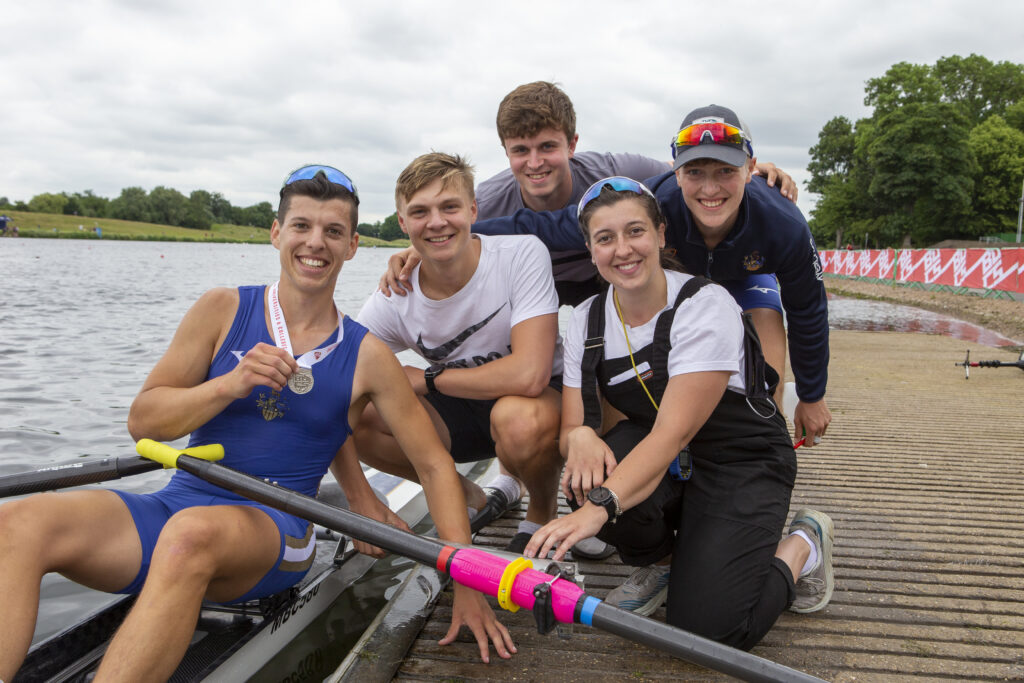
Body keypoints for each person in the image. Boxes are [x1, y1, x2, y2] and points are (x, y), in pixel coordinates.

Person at [0, 165, 514, 682]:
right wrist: (228, 384)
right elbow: (144, 422)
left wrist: (465, 581)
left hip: (277, 530)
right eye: (301, 226)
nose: (316, 243)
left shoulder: (368, 355)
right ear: (276, 232)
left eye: (333, 231)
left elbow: (433, 466)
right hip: (177, 506)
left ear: (353, 245)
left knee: (190, 535)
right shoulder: (221, 309)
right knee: (21, 522)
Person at [523, 176, 835, 650]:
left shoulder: (705, 305)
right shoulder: (587, 316)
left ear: (662, 235)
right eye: (605, 238)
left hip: (740, 457)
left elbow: (669, 434)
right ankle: (667, 564)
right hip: (668, 458)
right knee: (584, 475)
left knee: (711, 631)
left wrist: (597, 513)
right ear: (590, 250)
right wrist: (580, 438)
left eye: (635, 232)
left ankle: (802, 544)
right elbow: (573, 426)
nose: (623, 250)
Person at [470, 104, 832, 448]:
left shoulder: (785, 224)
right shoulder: (657, 201)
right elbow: (545, 226)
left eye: (725, 171)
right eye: (695, 173)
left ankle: (760, 451)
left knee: (762, 376)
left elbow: (808, 311)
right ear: (676, 170)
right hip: (684, 285)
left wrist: (812, 395)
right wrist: (448, 236)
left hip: (746, 280)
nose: (709, 189)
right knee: (625, 372)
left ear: (750, 168)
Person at [354, 152, 564, 554]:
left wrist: (427, 378)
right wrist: (358, 494)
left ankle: (541, 507)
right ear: (402, 223)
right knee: (360, 414)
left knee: (517, 419)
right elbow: (336, 373)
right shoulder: (395, 294)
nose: (436, 222)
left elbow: (530, 374)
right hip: (461, 406)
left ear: (472, 210)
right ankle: (458, 487)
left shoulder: (521, 254)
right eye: (420, 212)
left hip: (535, 400)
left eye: (449, 207)